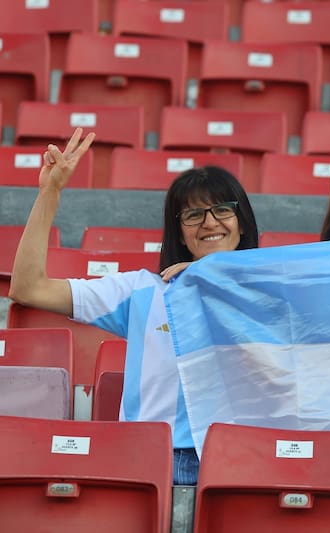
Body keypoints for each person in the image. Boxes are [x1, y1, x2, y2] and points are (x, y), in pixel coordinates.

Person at [9, 128, 260, 484]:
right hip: (149, 457)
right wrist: (50, 192)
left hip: (237, 459)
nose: (209, 223)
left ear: (242, 220)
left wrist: (215, 274)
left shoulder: (268, 291)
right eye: (193, 215)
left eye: (222, 209)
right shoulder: (143, 290)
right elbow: (28, 288)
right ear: (180, 232)